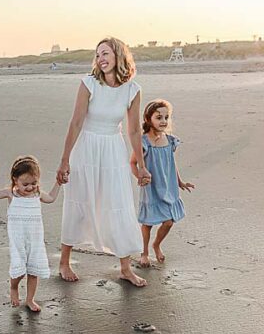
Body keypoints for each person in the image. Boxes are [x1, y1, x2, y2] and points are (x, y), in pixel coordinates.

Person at [56, 37, 151, 286]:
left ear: (119, 56)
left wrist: (141, 166)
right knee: (79, 199)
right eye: (98, 55)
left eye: (106, 53)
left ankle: (125, 268)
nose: (101, 59)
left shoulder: (133, 89)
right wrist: (65, 160)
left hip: (113, 148)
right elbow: (76, 122)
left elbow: (133, 131)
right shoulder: (89, 84)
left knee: (118, 202)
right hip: (86, 147)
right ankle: (64, 261)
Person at [0, 156, 61, 312]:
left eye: (34, 183)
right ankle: (14, 287)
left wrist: (58, 183)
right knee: (19, 268)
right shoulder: (11, 194)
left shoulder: (37, 194)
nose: (30, 187)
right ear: (15, 180)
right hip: (18, 238)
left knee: (33, 270)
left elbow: (51, 198)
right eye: (25, 184)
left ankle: (30, 299)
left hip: (35, 238)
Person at [131, 99, 195, 267]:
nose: (164, 121)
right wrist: (139, 175)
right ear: (148, 119)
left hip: (169, 186)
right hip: (151, 187)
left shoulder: (170, 140)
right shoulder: (143, 142)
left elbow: (171, 163)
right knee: (148, 223)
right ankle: (144, 252)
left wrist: (180, 182)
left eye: (166, 117)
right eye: (159, 117)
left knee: (168, 221)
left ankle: (156, 244)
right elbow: (132, 162)